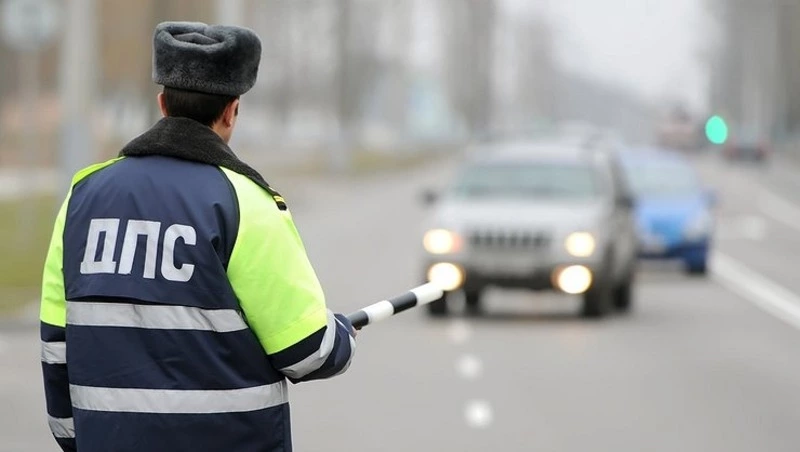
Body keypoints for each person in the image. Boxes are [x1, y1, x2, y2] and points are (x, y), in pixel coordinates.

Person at [39, 21, 356, 452]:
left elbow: (57, 343)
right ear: (231, 111)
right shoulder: (247, 203)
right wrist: (341, 338)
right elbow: (307, 352)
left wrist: (77, 439)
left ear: (162, 103)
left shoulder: (84, 195)